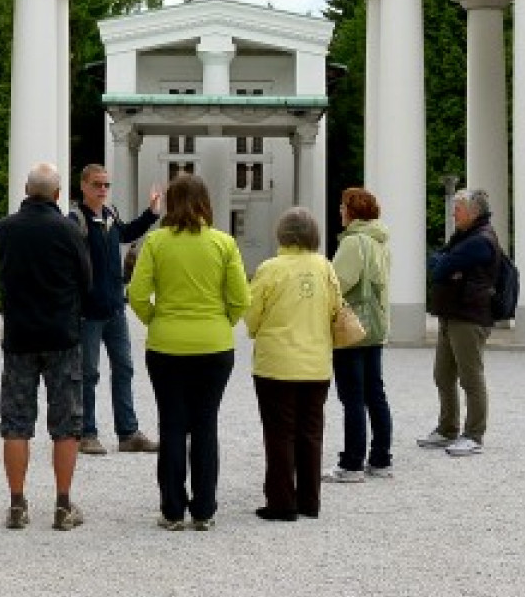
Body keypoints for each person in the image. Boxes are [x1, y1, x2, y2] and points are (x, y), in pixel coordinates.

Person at [126, 173, 249, 531]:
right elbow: (241, 298)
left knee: (172, 425)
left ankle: (172, 509)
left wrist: (155, 319)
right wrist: (222, 322)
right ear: (205, 203)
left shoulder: (156, 242)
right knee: (206, 425)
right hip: (213, 345)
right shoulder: (224, 243)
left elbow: (136, 294)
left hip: (167, 345)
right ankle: (204, 509)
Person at [0, 163, 92, 531]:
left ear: (25, 189)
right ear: (57, 194)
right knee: (66, 424)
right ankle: (63, 504)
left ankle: (17, 504)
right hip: (61, 335)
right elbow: (86, 279)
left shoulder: (5, 229)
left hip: (19, 336)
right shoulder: (69, 230)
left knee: (15, 423)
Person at [244, 207, 342, 522]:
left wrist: (256, 331)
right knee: (311, 432)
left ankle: (281, 502)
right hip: (316, 363)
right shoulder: (325, 266)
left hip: (277, 363)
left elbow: (252, 313)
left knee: (279, 433)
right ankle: (309, 500)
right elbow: (336, 308)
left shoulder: (270, 268)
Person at [71, 164, 162, 456]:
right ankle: (86, 433)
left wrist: (151, 214)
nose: (103, 189)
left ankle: (128, 433)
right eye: (97, 184)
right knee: (88, 374)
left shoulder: (110, 214)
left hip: (115, 309)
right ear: (83, 186)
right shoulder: (76, 220)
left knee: (124, 369)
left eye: (106, 185)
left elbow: (126, 234)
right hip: (88, 312)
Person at [417, 188, 501, 458]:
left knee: (470, 377)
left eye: (458, 209)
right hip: (451, 314)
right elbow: (435, 262)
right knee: (442, 375)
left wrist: (447, 267)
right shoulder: (463, 237)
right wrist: (447, 266)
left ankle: (473, 434)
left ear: (473, 212)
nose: (453, 213)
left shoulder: (480, 240)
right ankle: (447, 428)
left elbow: (441, 267)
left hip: (468, 317)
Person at [324, 187, 393, 483]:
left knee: (352, 396)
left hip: (353, 327)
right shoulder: (380, 240)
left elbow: (337, 283)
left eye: (343, 207)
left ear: (352, 211)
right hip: (376, 325)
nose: (340, 211)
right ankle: (381, 458)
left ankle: (352, 463)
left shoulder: (354, 242)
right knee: (375, 394)